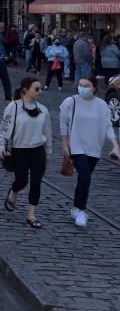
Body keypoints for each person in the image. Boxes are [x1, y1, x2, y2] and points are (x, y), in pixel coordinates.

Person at [60, 80, 120, 228]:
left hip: (94, 148)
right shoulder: (71, 102)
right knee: (85, 178)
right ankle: (81, 210)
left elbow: (108, 126)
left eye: (86, 86)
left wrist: (115, 145)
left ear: (94, 88)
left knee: (83, 179)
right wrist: (64, 144)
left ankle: (75, 207)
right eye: (80, 85)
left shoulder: (101, 105)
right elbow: (63, 124)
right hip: (76, 146)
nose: (82, 88)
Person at [0, 76, 51, 229]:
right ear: (25, 90)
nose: (40, 91)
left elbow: (47, 132)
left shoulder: (43, 110)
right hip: (19, 150)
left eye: (41, 88)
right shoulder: (13, 107)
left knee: (36, 182)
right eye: (37, 89)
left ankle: (31, 215)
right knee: (22, 181)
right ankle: (14, 191)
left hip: (38, 150)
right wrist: (0, 146)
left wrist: (49, 152)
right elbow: (2, 129)